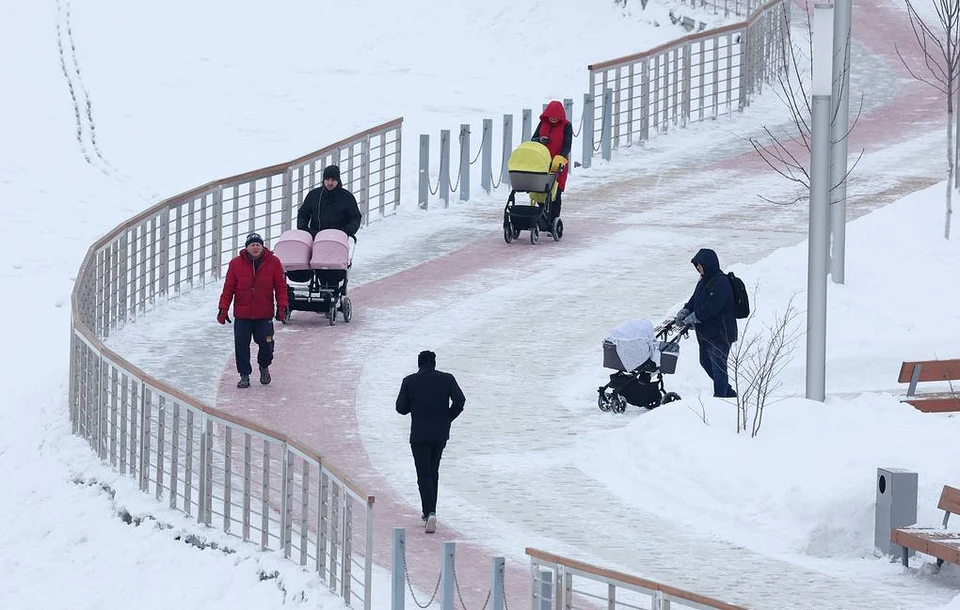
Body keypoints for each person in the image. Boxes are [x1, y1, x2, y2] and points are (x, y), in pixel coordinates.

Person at [395, 350, 465, 534]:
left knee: (423, 474)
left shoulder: (409, 381)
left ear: (419, 364)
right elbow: (460, 401)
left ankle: (429, 512)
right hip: (439, 434)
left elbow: (401, 408)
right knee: (433, 471)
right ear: (434, 363)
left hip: (419, 435)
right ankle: (431, 511)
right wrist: (447, 418)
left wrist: (415, 404)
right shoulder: (447, 379)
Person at [217, 233, 289, 388]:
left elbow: (281, 287)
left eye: (258, 245)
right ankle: (244, 375)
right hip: (242, 315)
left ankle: (264, 366)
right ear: (247, 248)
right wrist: (223, 308)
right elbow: (228, 288)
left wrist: (282, 306)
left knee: (266, 343)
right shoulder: (236, 264)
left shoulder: (274, 262)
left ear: (262, 247)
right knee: (241, 345)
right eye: (252, 245)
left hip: (264, 314)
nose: (255, 247)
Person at [674, 248, 738, 398]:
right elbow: (695, 298)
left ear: (708, 264)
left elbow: (712, 307)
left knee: (718, 366)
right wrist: (685, 311)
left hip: (721, 332)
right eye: (696, 265)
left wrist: (694, 317)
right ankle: (727, 392)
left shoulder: (721, 282)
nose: (698, 268)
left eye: (700, 265)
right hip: (706, 332)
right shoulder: (704, 280)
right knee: (705, 362)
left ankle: (721, 397)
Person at [530, 100, 573, 222]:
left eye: (556, 117)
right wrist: (540, 139)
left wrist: (559, 158)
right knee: (540, 191)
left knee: (556, 193)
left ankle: (553, 218)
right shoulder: (542, 123)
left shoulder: (566, 126)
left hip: (558, 163)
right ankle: (543, 216)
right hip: (542, 162)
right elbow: (533, 139)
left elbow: (567, 146)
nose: (553, 119)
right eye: (551, 116)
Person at [296, 164, 363, 238]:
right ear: (323, 180)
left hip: (338, 238)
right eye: (327, 179)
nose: (330, 183)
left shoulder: (347, 197)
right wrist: (303, 228)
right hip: (316, 237)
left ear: (338, 180)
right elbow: (303, 213)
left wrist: (348, 230)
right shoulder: (314, 195)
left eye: (333, 180)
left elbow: (355, 217)